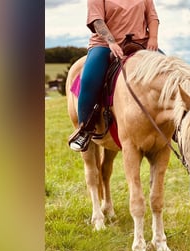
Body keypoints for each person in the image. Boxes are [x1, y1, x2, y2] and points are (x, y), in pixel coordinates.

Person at [68, 0, 160, 152]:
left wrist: (153, 38)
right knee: (89, 79)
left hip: (140, 44)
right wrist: (111, 42)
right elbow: (97, 20)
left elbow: (152, 17)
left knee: (169, 74)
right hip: (105, 45)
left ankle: (175, 125)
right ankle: (85, 129)